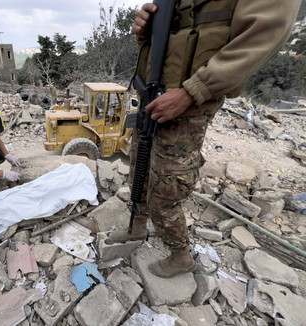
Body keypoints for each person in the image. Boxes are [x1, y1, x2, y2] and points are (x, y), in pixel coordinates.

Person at [107, 0, 300, 278]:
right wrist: (145, 34)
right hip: (152, 98)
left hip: (186, 107)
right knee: (139, 171)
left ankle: (180, 256)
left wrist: (192, 91)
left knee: (166, 194)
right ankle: (136, 226)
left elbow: (264, 33)